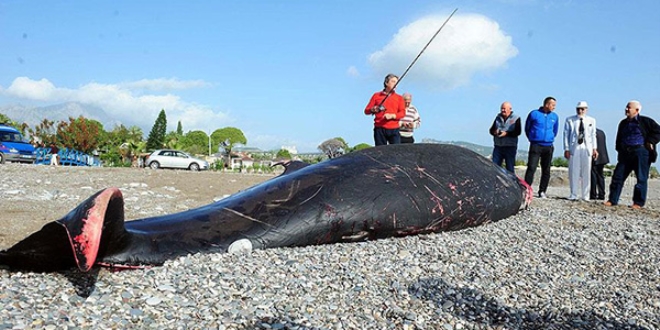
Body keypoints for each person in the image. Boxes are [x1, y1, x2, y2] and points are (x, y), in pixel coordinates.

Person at [605, 100, 660, 209]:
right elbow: (619, 137)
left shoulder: (646, 121)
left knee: (641, 178)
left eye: (629, 107)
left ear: (637, 110)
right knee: (618, 176)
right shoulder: (623, 123)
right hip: (626, 152)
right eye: (626, 107)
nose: (626, 109)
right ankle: (612, 200)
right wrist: (619, 149)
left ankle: (638, 203)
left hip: (641, 151)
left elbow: (658, 131)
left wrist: (650, 141)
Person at [524, 96, 559, 198]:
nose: (554, 107)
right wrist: (532, 138)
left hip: (548, 146)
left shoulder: (555, 117)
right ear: (547, 104)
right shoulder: (534, 114)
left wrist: (549, 138)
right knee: (531, 167)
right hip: (536, 145)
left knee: (546, 169)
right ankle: (527, 190)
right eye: (553, 105)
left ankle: (542, 191)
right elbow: (527, 128)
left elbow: (555, 131)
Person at [563, 101, 598, 201]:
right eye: (578, 109)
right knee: (574, 171)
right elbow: (566, 135)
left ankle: (586, 195)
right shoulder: (570, 120)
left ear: (586, 109)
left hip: (586, 147)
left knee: (586, 171)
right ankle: (573, 194)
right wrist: (566, 148)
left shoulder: (592, 120)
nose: (580, 111)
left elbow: (593, 135)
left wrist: (594, 148)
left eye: (582, 109)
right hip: (575, 147)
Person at [364, 73, 406, 146]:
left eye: (397, 82)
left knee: (396, 151)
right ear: (386, 83)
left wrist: (392, 116)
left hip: (394, 129)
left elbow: (402, 113)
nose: (395, 84)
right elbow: (366, 111)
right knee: (380, 151)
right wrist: (373, 109)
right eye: (393, 81)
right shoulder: (376, 95)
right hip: (379, 128)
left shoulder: (399, 98)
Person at [489, 101, 521, 173]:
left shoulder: (516, 118)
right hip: (498, 146)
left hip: (510, 147)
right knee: (495, 167)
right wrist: (495, 132)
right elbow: (491, 130)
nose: (503, 110)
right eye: (502, 109)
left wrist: (506, 134)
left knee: (509, 168)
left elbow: (518, 132)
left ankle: (510, 183)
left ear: (510, 109)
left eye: (504, 109)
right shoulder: (498, 118)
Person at [590, 129, 610, 200]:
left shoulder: (592, 132)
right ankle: (602, 194)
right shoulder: (601, 132)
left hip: (595, 156)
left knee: (593, 175)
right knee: (600, 175)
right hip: (603, 156)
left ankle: (593, 194)